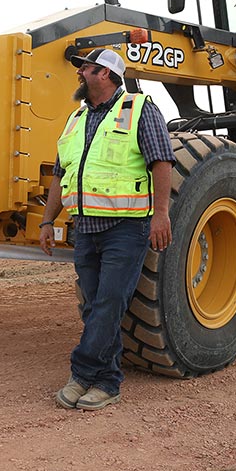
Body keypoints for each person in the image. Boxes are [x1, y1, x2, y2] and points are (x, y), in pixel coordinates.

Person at [39, 48, 174, 410]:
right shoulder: (75, 119)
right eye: (82, 67)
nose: (80, 73)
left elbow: (162, 162)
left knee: (109, 303)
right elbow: (60, 175)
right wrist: (48, 220)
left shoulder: (140, 109)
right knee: (94, 308)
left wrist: (161, 213)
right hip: (85, 229)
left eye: (87, 68)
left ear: (108, 75)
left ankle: (82, 374)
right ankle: (108, 381)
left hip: (125, 229)